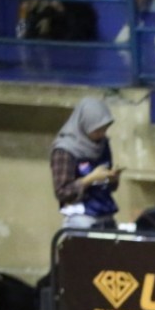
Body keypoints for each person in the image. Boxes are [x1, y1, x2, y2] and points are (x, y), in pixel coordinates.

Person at [50, 97, 121, 230]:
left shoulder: (103, 144)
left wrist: (112, 178)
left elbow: (109, 186)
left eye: (104, 129)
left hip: (105, 213)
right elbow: (62, 192)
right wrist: (89, 179)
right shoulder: (65, 150)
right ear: (85, 125)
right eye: (97, 130)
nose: (102, 134)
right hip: (81, 218)